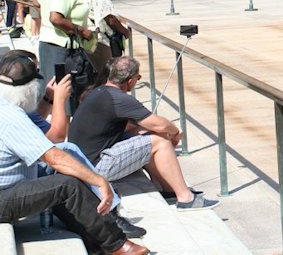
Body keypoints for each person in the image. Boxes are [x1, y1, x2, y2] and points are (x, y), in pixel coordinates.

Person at [0, 52, 148, 254]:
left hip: (9, 187)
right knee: (67, 184)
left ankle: (93, 237)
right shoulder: (11, 115)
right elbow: (54, 155)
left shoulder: (5, 105)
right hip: (3, 197)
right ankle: (117, 245)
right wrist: (99, 180)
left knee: (64, 176)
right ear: (29, 90)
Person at [68, 56, 220, 212]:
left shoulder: (100, 91)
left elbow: (134, 128)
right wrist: (175, 133)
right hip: (95, 167)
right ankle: (186, 198)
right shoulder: (119, 98)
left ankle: (168, 189)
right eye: (138, 77)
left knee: (150, 136)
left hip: (83, 161)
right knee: (159, 141)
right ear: (131, 80)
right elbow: (159, 124)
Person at [36, 0, 94, 82]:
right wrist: (82, 31)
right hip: (60, 48)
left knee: (50, 87)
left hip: (46, 44)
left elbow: (35, 1)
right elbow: (55, 18)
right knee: (63, 91)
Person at [76, 0, 132, 82]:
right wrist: (125, 31)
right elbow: (109, 18)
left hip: (86, 39)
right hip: (100, 40)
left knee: (96, 75)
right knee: (109, 77)